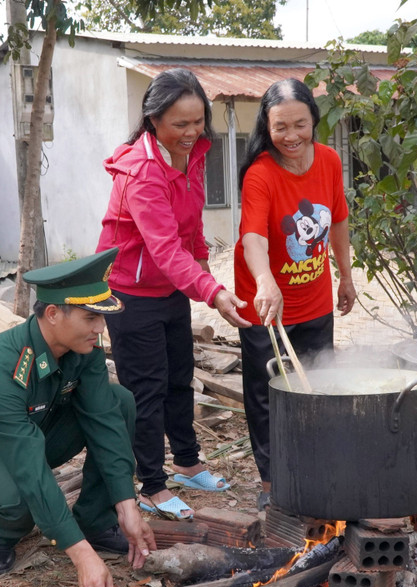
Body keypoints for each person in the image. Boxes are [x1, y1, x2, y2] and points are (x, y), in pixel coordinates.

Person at [0, 249, 156, 587]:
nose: (99, 328)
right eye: (91, 317)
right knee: (18, 490)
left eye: (101, 318)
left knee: (119, 402)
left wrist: (126, 504)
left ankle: (95, 519)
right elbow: (28, 466)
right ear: (53, 314)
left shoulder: (80, 347)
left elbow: (104, 420)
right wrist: (81, 555)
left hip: (33, 438)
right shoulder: (1, 366)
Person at [96, 68, 251, 521]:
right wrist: (212, 291)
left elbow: (189, 223)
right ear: (153, 120)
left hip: (168, 287)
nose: (191, 132)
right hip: (130, 289)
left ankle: (186, 462)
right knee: (146, 389)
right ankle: (152, 486)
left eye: (198, 121)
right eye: (179, 124)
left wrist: (202, 260)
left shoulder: (195, 153)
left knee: (179, 377)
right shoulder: (143, 170)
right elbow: (162, 247)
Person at [234, 78, 358, 511]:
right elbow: (252, 237)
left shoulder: (328, 160)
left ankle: (313, 469)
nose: (291, 136)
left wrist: (345, 274)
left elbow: (337, 219)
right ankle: (272, 483)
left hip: (315, 301)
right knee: (268, 396)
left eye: (300, 124)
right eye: (280, 127)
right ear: (267, 128)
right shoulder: (260, 175)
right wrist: (266, 282)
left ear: (314, 120)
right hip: (265, 307)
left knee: (316, 387)